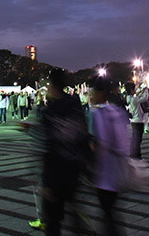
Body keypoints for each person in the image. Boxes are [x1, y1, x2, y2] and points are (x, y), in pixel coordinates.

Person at [41, 69, 90, 235]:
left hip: (56, 173)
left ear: (53, 86)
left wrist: (46, 182)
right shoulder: (76, 106)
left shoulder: (49, 112)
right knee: (74, 211)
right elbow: (84, 136)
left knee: (53, 220)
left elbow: (48, 147)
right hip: (75, 167)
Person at [90, 76, 129, 236]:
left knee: (108, 213)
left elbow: (101, 142)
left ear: (100, 92)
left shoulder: (99, 114)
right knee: (111, 211)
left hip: (105, 173)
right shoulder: (118, 111)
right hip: (119, 171)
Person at [125, 82, 148, 158]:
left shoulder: (129, 98)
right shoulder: (134, 99)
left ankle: (133, 153)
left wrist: (141, 90)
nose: (135, 90)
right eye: (134, 89)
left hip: (134, 120)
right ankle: (136, 154)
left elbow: (138, 95)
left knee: (134, 138)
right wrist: (145, 90)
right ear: (131, 90)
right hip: (138, 120)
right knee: (138, 139)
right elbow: (145, 98)